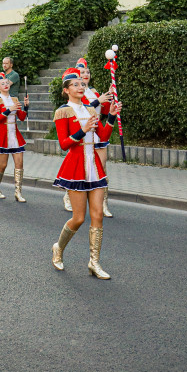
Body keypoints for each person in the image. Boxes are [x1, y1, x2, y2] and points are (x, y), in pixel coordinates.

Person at [50, 68, 121, 280]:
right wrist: (82, 131)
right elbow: (64, 144)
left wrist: (111, 118)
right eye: (75, 84)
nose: (81, 87)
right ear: (66, 90)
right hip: (75, 166)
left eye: (82, 84)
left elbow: (103, 134)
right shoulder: (63, 112)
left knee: (98, 215)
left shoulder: (91, 109)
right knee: (79, 218)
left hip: (94, 166)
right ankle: (58, 248)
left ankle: (94, 262)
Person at [65, 58, 116, 216]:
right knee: (79, 170)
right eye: (82, 72)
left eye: (88, 72)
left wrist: (109, 97)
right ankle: (69, 196)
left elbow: (104, 111)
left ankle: (104, 205)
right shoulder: (79, 93)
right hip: (82, 135)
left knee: (102, 170)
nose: (85, 74)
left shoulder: (93, 92)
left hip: (96, 131)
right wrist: (97, 102)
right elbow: (83, 108)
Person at [0, 72, 30, 201]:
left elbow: (21, 117)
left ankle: (18, 192)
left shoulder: (15, 99)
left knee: (19, 163)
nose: (6, 85)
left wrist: (26, 107)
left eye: (7, 83)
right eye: (2, 83)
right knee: (3, 165)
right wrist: (9, 109)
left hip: (14, 134)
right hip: (1, 135)